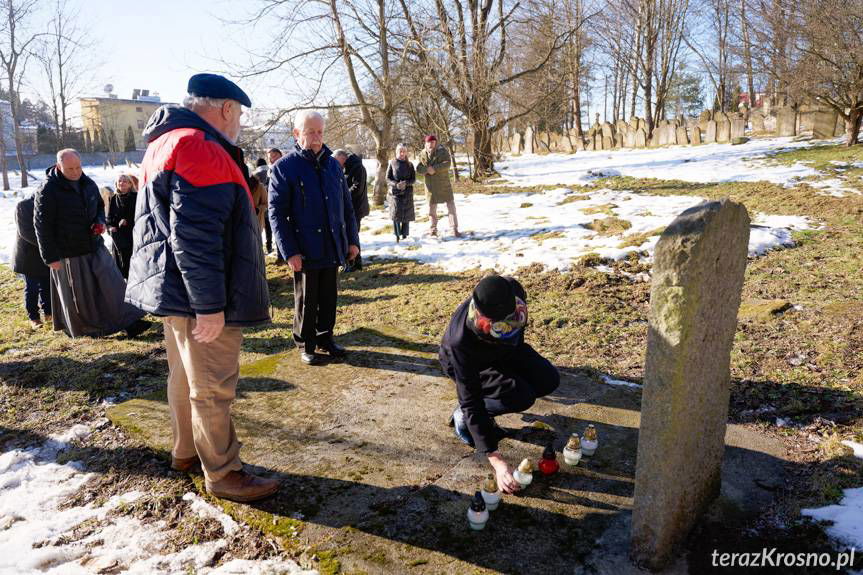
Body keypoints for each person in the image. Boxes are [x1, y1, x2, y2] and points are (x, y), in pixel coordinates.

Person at [125, 73, 277, 503]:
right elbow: (195, 235)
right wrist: (210, 306)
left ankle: (186, 451)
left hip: (173, 290)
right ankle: (224, 472)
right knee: (212, 385)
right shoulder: (198, 146)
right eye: (240, 114)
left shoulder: (165, 141)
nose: (240, 123)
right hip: (201, 295)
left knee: (184, 374)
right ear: (226, 108)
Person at [439, 275, 560, 494]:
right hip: (472, 366)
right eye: (502, 326)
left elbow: (517, 336)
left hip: (505, 351)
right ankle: (463, 417)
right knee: (520, 396)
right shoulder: (460, 342)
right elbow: (471, 397)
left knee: (548, 379)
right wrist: (496, 461)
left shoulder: (513, 291)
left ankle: (499, 391)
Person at [268, 110, 360, 366]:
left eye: (320, 131)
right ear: (297, 134)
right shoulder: (284, 168)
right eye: (311, 132)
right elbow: (277, 214)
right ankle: (306, 343)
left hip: (332, 243)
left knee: (329, 296)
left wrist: (352, 241)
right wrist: (289, 252)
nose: (317, 137)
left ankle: (325, 337)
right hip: (305, 247)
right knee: (307, 299)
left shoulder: (332, 164)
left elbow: (346, 207)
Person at [33, 149, 150, 339]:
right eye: (70, 168)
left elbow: (99, 208)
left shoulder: (88, 183)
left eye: (78, 167)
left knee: (113, 282)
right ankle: (89, 330)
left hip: (95, 244)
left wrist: (100, 222)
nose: (76, 172)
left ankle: (130, 321)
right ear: (58, 166)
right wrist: (50, 257)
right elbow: (41, 226)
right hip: (68, 253)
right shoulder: (47, 190)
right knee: (82, 296)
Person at [12, 196, 51, 329]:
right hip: (28, 255)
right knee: (32, 287)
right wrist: (47, 244)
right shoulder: (23, 206)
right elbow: (26, 232)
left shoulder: (48, 203)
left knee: (47, 285)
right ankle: (33, 317)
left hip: (44, 254)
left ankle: (49, 313)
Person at [416, 134, 460, 238]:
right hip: (430, 186)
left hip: (443, 184)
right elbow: (418, 168)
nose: (430, 144)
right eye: (428, 142)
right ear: (425, 143)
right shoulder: (422, 154)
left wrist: (435, 168)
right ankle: (433, 229)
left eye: (432, 142)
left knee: (451, 207)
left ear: (436, 142)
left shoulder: (443, 151)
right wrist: (427, 170)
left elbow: (447, 164)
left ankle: (454, 228)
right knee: (431, 209)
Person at [333, 149, 369, 271]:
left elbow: (357, 188)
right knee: (349, 236)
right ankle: (351, 262)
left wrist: (342, 194)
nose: (337, 165)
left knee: (354, 236)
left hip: (357, 208)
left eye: (337, 162)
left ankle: (356, 263)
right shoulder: (346, 168)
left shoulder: (358, 167)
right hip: (349, 207)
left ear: (343, 158)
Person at [107, 174, 138, 278]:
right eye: (120, 181)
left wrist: (128, 221)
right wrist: (110, 227)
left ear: (130, 184)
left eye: (125, 181)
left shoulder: (136, 197)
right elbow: (109, 219)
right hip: (118, 240)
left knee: (133, 270)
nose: (122, 183)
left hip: (132, 238)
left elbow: (140, 216)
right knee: (119, 270)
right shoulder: (113, 198)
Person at [385, 143, 416, 242]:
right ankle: (397, 235)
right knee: (396, 214)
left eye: (404, 151)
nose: (402, 153)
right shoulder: (392, 163)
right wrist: (395, 184)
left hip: (407, 192)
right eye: (400, 151)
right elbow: (387, 178)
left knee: (406, 214)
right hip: (395, 193)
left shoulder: (410, 165)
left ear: (406, 152)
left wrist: (406, 183)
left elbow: (413, 179)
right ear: (396, 152)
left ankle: (405, 235)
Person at [264, 148, 285, 264]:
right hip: (273, 204)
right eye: (269, 157)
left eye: (272, 156)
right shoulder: (270, 170)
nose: (270, 160)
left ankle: (284, 256)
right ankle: (281, 256)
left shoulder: (284, 167)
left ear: (279, 155)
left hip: (284, 204)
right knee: (277, 230)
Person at [249, 172, 268, 239]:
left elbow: (266, 203)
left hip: (257, 220)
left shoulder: (259, 186)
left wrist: (258, 209)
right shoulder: (241, 185)